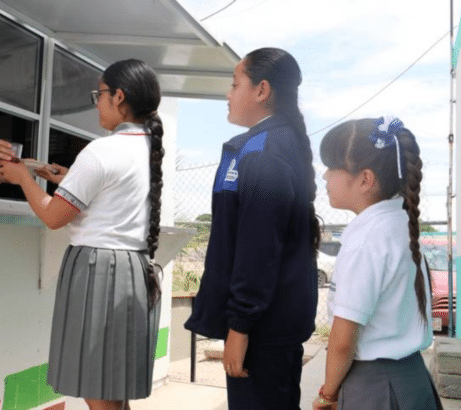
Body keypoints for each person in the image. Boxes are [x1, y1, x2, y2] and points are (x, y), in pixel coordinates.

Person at [0, 58, 164, 410]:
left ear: (118, 97)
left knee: (96, 385)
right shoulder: (150, 149)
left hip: (98, 270)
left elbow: (53, 216)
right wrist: (69, 178)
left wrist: (23, 178)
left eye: (99, 94)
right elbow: (113, 196)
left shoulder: (102, 150)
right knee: (112, 384)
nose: (97, 103)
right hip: (135, 269)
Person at [184, 47, 320, 409]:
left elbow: (259, 247)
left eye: (234, 84)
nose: (227, 95)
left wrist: (240, 327)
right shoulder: (265, 145)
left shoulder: (264, 151)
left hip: (263, 328)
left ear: (262, 90)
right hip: (270, 324)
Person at [313, 117, 442, 410]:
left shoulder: (365, 239)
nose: (325, 177)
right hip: (412, 378)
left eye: (332, 168)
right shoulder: (399, 223)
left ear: (365, 179)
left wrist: (328, 394)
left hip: (374, 387)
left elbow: (344, 340)